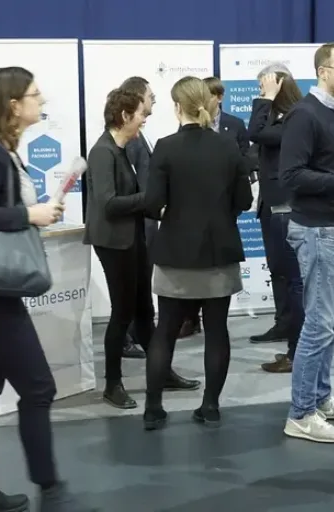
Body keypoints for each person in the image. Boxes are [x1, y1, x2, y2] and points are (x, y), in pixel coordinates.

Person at [0, 66, 95, 512]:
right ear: (13, 105)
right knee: (37, 388)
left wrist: (34, 213)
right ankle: (50, 492)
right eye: (35, 94)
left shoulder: (0, 152)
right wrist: (28, 215)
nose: (42, 100)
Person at [141, 76, 253, 431]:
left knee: (165, 331)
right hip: (219, 253)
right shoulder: (228, 146)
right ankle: (210, 406)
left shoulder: (165, 147)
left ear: (177, 107)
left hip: (175, 253)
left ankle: (153, 409)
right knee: (217, 332)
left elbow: (152, 203)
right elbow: (245, 200)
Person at [279, 42, 334, 444]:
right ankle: (300, 413)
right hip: (317, 230)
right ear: (322, 71)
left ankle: (320, 398)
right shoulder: (304, 114)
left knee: (332, 323)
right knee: (318, 324)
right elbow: (291, 175)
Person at [117, 76, 200, 391]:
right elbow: (132, 186)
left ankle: (155, 363)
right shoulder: (129, 140)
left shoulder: (141, 137)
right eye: (150, 95)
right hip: (141, 224)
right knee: (136, 295)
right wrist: (154, 205)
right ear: (137, 98)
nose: (154, 100)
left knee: (142, 297)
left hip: (147, 221)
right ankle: (135, 352)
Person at [83, 88, 154, 409]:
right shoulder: (103, 152)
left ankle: (161, 371)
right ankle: (113, 384)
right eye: (141, 113)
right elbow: (108, 203)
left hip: (132, 237)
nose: (145, 118)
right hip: (114, 242)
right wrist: (150, 199)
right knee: (123, 313)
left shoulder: (121, 149)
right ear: (125, 116)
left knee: (144, 309)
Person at [170, 77, 253, 339]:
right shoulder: (177, 139)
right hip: (192, 225)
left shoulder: (233, 128)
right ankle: (191, 317)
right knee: (193, 278)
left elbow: (246, 163)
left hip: (221, 219)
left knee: (215, 317)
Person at [248, 63, 305, 373]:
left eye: (265, 87)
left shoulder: (295, 115)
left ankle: (297, 351)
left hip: (286, 208)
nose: (261, 93)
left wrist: (266, 99)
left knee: (294, 280)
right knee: (279, 272)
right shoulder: (278, 116)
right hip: (271, 205)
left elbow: (255, 133)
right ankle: (284, 326)